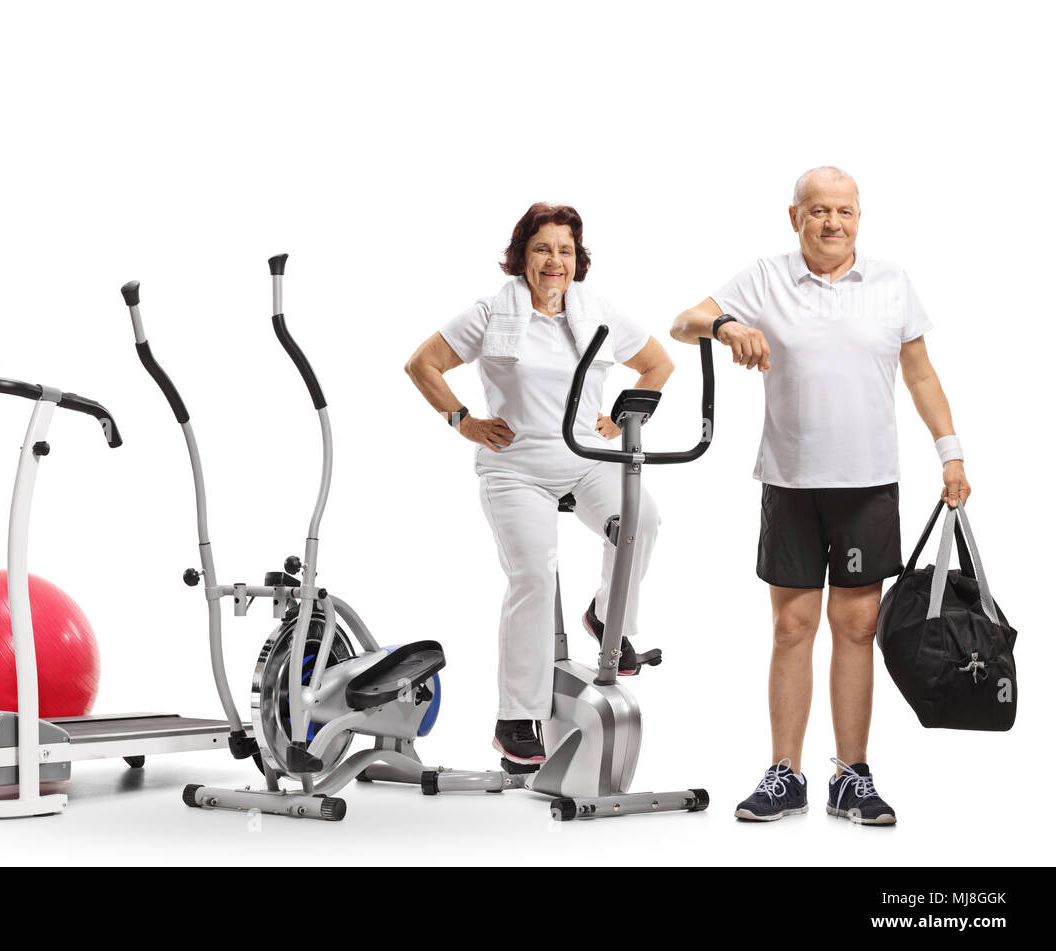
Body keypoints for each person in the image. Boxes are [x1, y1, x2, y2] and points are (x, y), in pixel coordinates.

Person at [671, 166, 970, 825]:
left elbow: (920, 374)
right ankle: (785, 774)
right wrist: (725, 329)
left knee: (857, 628)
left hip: (868, 483)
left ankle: (851, 776)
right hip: (791, 480)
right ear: (795, 216)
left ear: (859, 216)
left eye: (846, 211)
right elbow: (683, 320)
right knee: (791, 627)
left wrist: (949, 450)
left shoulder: (891, 282)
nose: (833, 222)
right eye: (820, 211)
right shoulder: (765, 276)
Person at [405, 203, 674, 766]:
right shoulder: (490, 314)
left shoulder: (596, 314)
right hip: (516, 468)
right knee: (533, 573)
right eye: (543, 249)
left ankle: (607, 619)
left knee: (641, 520)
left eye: (566, 250)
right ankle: (516, 716)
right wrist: (464, 421)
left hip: (585, 459)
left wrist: (621, 419)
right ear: (522, 256)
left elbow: (658, 364)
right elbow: (422, 364)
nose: (555, 261)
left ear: (579, 260)